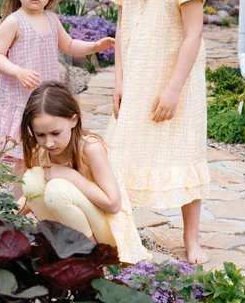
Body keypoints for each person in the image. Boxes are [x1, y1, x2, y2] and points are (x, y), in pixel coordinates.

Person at [105, 0, 210, 264]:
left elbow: (193, 34)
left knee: (185, 150)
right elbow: (121, 28)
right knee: (119, 150)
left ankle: (192, 238)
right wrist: (119, 81)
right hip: (137, 78)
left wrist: (173, 90)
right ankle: (121, 230)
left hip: (176, 80)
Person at [0, 0, 115, 200]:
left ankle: (49, 200)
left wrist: (95, 46)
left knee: (50, 153)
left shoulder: (51, 19)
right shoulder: (14, 22)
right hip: (22, 103)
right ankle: (22, 207)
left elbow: (69, 45)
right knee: (24, 161)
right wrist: (17, 71)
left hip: (47, 102)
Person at [18, 81, 149, 264]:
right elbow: (33, 194)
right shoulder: (42, 151)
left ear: (73, 120)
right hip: (73, 226)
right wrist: (9, 214)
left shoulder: (90, 148)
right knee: (31, 179)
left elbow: (113, 204)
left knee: (57, 188)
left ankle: (90, 256)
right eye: (40, 135)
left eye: (55, 133)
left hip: (107, 231)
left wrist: (72, 176)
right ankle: (59, 243)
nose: (48, 143)